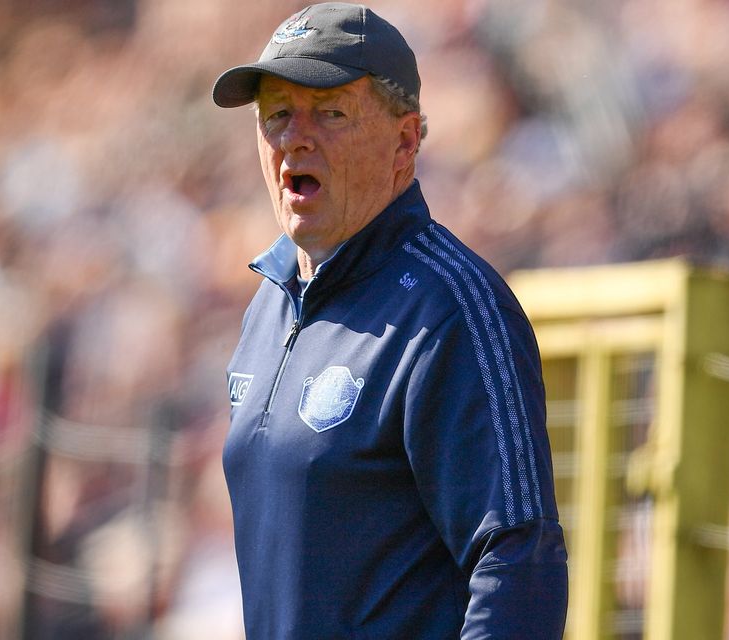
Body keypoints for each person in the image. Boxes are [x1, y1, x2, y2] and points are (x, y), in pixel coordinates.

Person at [213, 3, 567, 638]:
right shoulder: (267, 304)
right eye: (277, 116)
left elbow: (519, 559)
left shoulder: (450, 308)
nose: (296, 137)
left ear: (405, 141)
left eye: (330, 113)